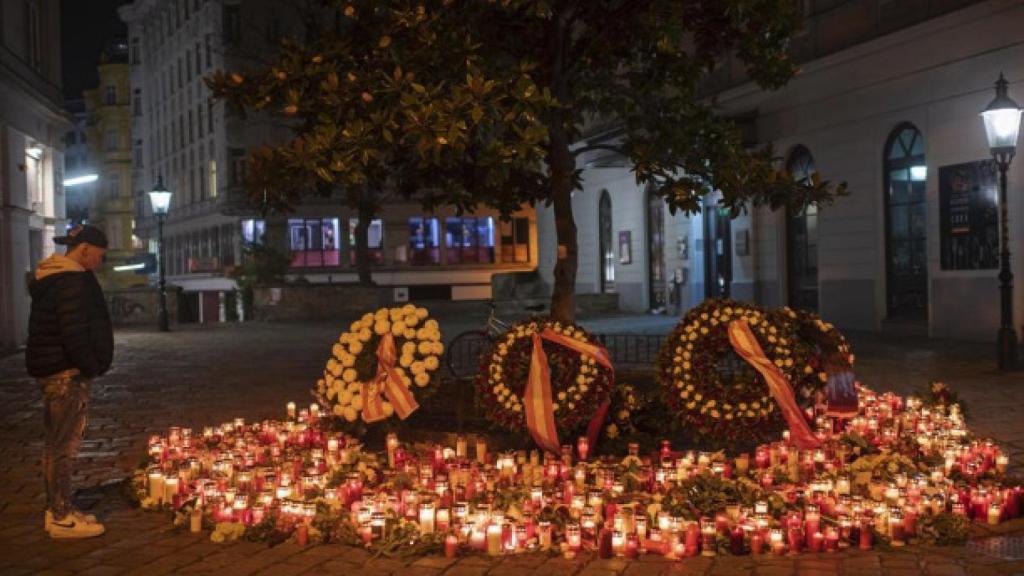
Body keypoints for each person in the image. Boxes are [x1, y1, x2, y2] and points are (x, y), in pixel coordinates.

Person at [26, 225, 112, 539]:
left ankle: (60, 507)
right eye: (99, 256)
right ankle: (61, 517)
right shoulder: (71, 281)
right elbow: (74, 330)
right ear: (85, 249)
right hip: (66, 372)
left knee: (57, 444)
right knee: (63, 446)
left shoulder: (54, 276)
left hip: (57, 369)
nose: (99, 263)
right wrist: (90, 365)